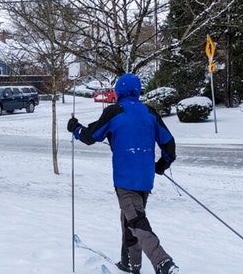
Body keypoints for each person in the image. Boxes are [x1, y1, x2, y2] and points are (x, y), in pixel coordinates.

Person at [67, 73, 178, 274]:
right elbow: (169, 146)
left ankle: (162, 261)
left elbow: (91, 136)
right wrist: (160, 166)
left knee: (136, 221)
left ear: (118, 92)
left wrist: (75, 128)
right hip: (145, 179)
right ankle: (129, 264)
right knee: (130, 219)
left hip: (125, 179)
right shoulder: (150, 112)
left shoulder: (114, 111)